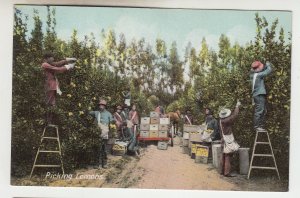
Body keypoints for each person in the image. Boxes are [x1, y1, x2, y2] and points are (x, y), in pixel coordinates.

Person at [42, 52, 76, 124]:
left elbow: (57, 63)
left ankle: (50, 122)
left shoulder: (48, 63)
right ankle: (48, 122)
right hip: (49, 87)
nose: (53, 59)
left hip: (52, 87)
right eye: (52, 58)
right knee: (50, 104)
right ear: (47, 58)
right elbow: (57, 69)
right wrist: (68, 67)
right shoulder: (45, 64)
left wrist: (68, 60)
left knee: (52, 104)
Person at [89, 99, 114, 168]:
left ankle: (104, 163)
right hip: (98, 133)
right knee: (98, 148)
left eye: (102, 105)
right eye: (100, 105)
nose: (101, 106)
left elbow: (112, 123)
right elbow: (88, 112)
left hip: (105, 133)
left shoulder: (108, 114)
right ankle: (98, 164)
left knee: (104, 149)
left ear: (105, 106)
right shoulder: (96, 113)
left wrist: (110, 131)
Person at [219, 100, 241, 177]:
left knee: (224, 155)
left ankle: (222, 171)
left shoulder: (221, 120)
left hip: (223, 139)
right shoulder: (226, 120)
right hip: (227, 139)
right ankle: (227, 172)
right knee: (228, 155)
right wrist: (237, 106)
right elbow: (234, 116)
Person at [250, 61, 272, 131]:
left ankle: (260, 125)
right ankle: (257, 126)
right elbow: (268, 71)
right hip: (259, 95)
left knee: (262, 110)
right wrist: (268, 65)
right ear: (257, 68)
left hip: (257, 95)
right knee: (259, 110)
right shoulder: (258, 75)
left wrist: (263, 67)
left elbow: (261, 70)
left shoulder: (253, 74)